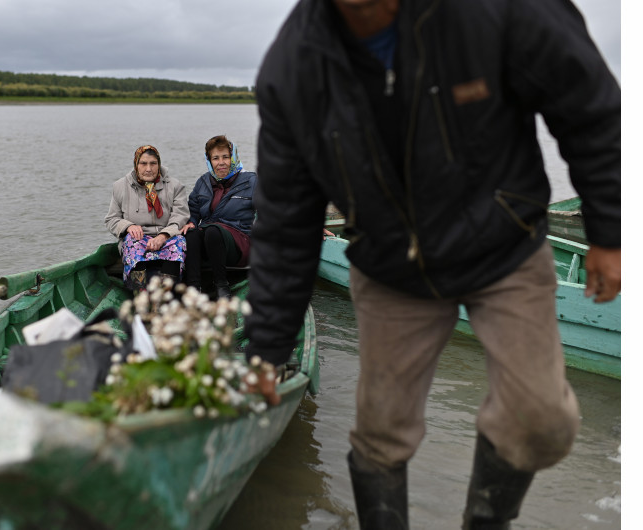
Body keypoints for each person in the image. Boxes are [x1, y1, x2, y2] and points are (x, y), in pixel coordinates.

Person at [243, 0, 620, 528]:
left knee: (542, 423)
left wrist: (610, 230)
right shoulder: (294, 68)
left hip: (504, 245)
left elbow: (590, 105)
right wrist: (267, 346)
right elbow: (285, 222)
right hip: (390, 265)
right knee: (381, 435)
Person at [181, 135, 258, 299]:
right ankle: (194, 288)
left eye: (225, 157)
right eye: (215, 158)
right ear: (209, 160)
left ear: (234, 157)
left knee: (213, 231)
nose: (221, 162)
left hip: (239, 242)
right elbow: (193, 210)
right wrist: (191, 222)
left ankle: (221, 285)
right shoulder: (203, 181)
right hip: (209, 239)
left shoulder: (251, 181)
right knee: (192, 233)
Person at [105, 145, 190, 291]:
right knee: (132, 244)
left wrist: (163, 236)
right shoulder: (120, 186)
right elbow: (111, 219)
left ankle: (165, 297)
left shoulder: (175, 186)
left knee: (179, 243)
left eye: (153, 163)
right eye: (143, 163)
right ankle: (141, 297)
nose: (148, 169)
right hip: (138, 238)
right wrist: (128, 226)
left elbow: (181, 216)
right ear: (136, 164)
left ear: (159, 164)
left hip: (166, 236)